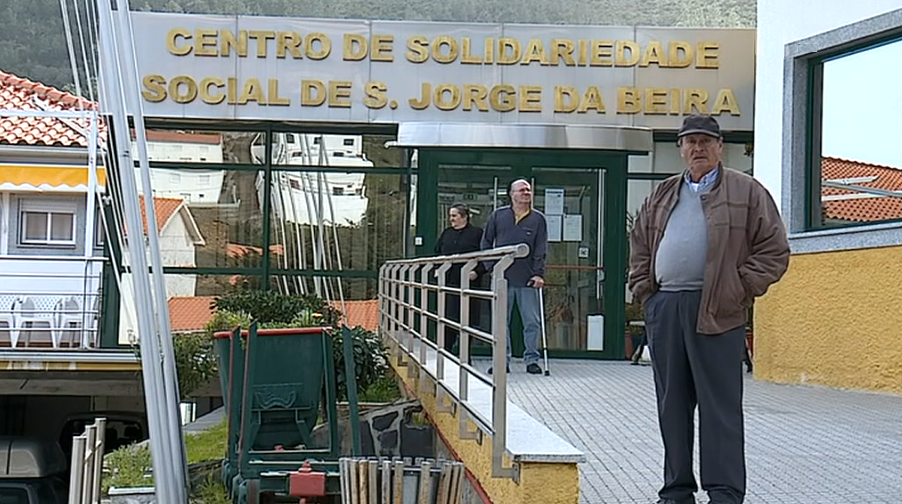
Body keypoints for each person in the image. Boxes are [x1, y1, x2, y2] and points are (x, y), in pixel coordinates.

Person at [628, 114, 789, 504]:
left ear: (720, 146)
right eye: (690, 142)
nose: (697, 148)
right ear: (681, 149)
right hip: (666, 309)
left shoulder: (747, 191)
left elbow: (774, 250)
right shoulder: (662, 193)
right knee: (672, 406)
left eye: (705, 141)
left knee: (720, 410)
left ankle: (725, 492)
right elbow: (640, 246)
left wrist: (737, 290)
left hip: (718, 310)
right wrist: (646, 292)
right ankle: (676, 491)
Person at [481, 179, 548, 375]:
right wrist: (491, 266)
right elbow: (486, 241)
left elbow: (541, 247)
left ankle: (531, 360)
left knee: (532, 321)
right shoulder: (498, 216)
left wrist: (538, 273)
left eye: (528, 190)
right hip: (502, 277)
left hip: (527, 278)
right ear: (512, 194)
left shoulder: (538, 219)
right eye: (521, 190)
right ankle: (502, 360)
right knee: (501, 321)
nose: (526, 192)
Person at [434, 203, 485, 354]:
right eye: (451, 216)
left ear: (465, 217)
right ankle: (446, 352)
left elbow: (485, 254)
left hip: (469, 283)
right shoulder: (447, 233)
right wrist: (438, 269)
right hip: (448, 282)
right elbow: (437, 252)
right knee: (448, 317)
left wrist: (478, 271)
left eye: (454, 216)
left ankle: (465, 354)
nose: (451, 219)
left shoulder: (477, 234)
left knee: (467, 318)